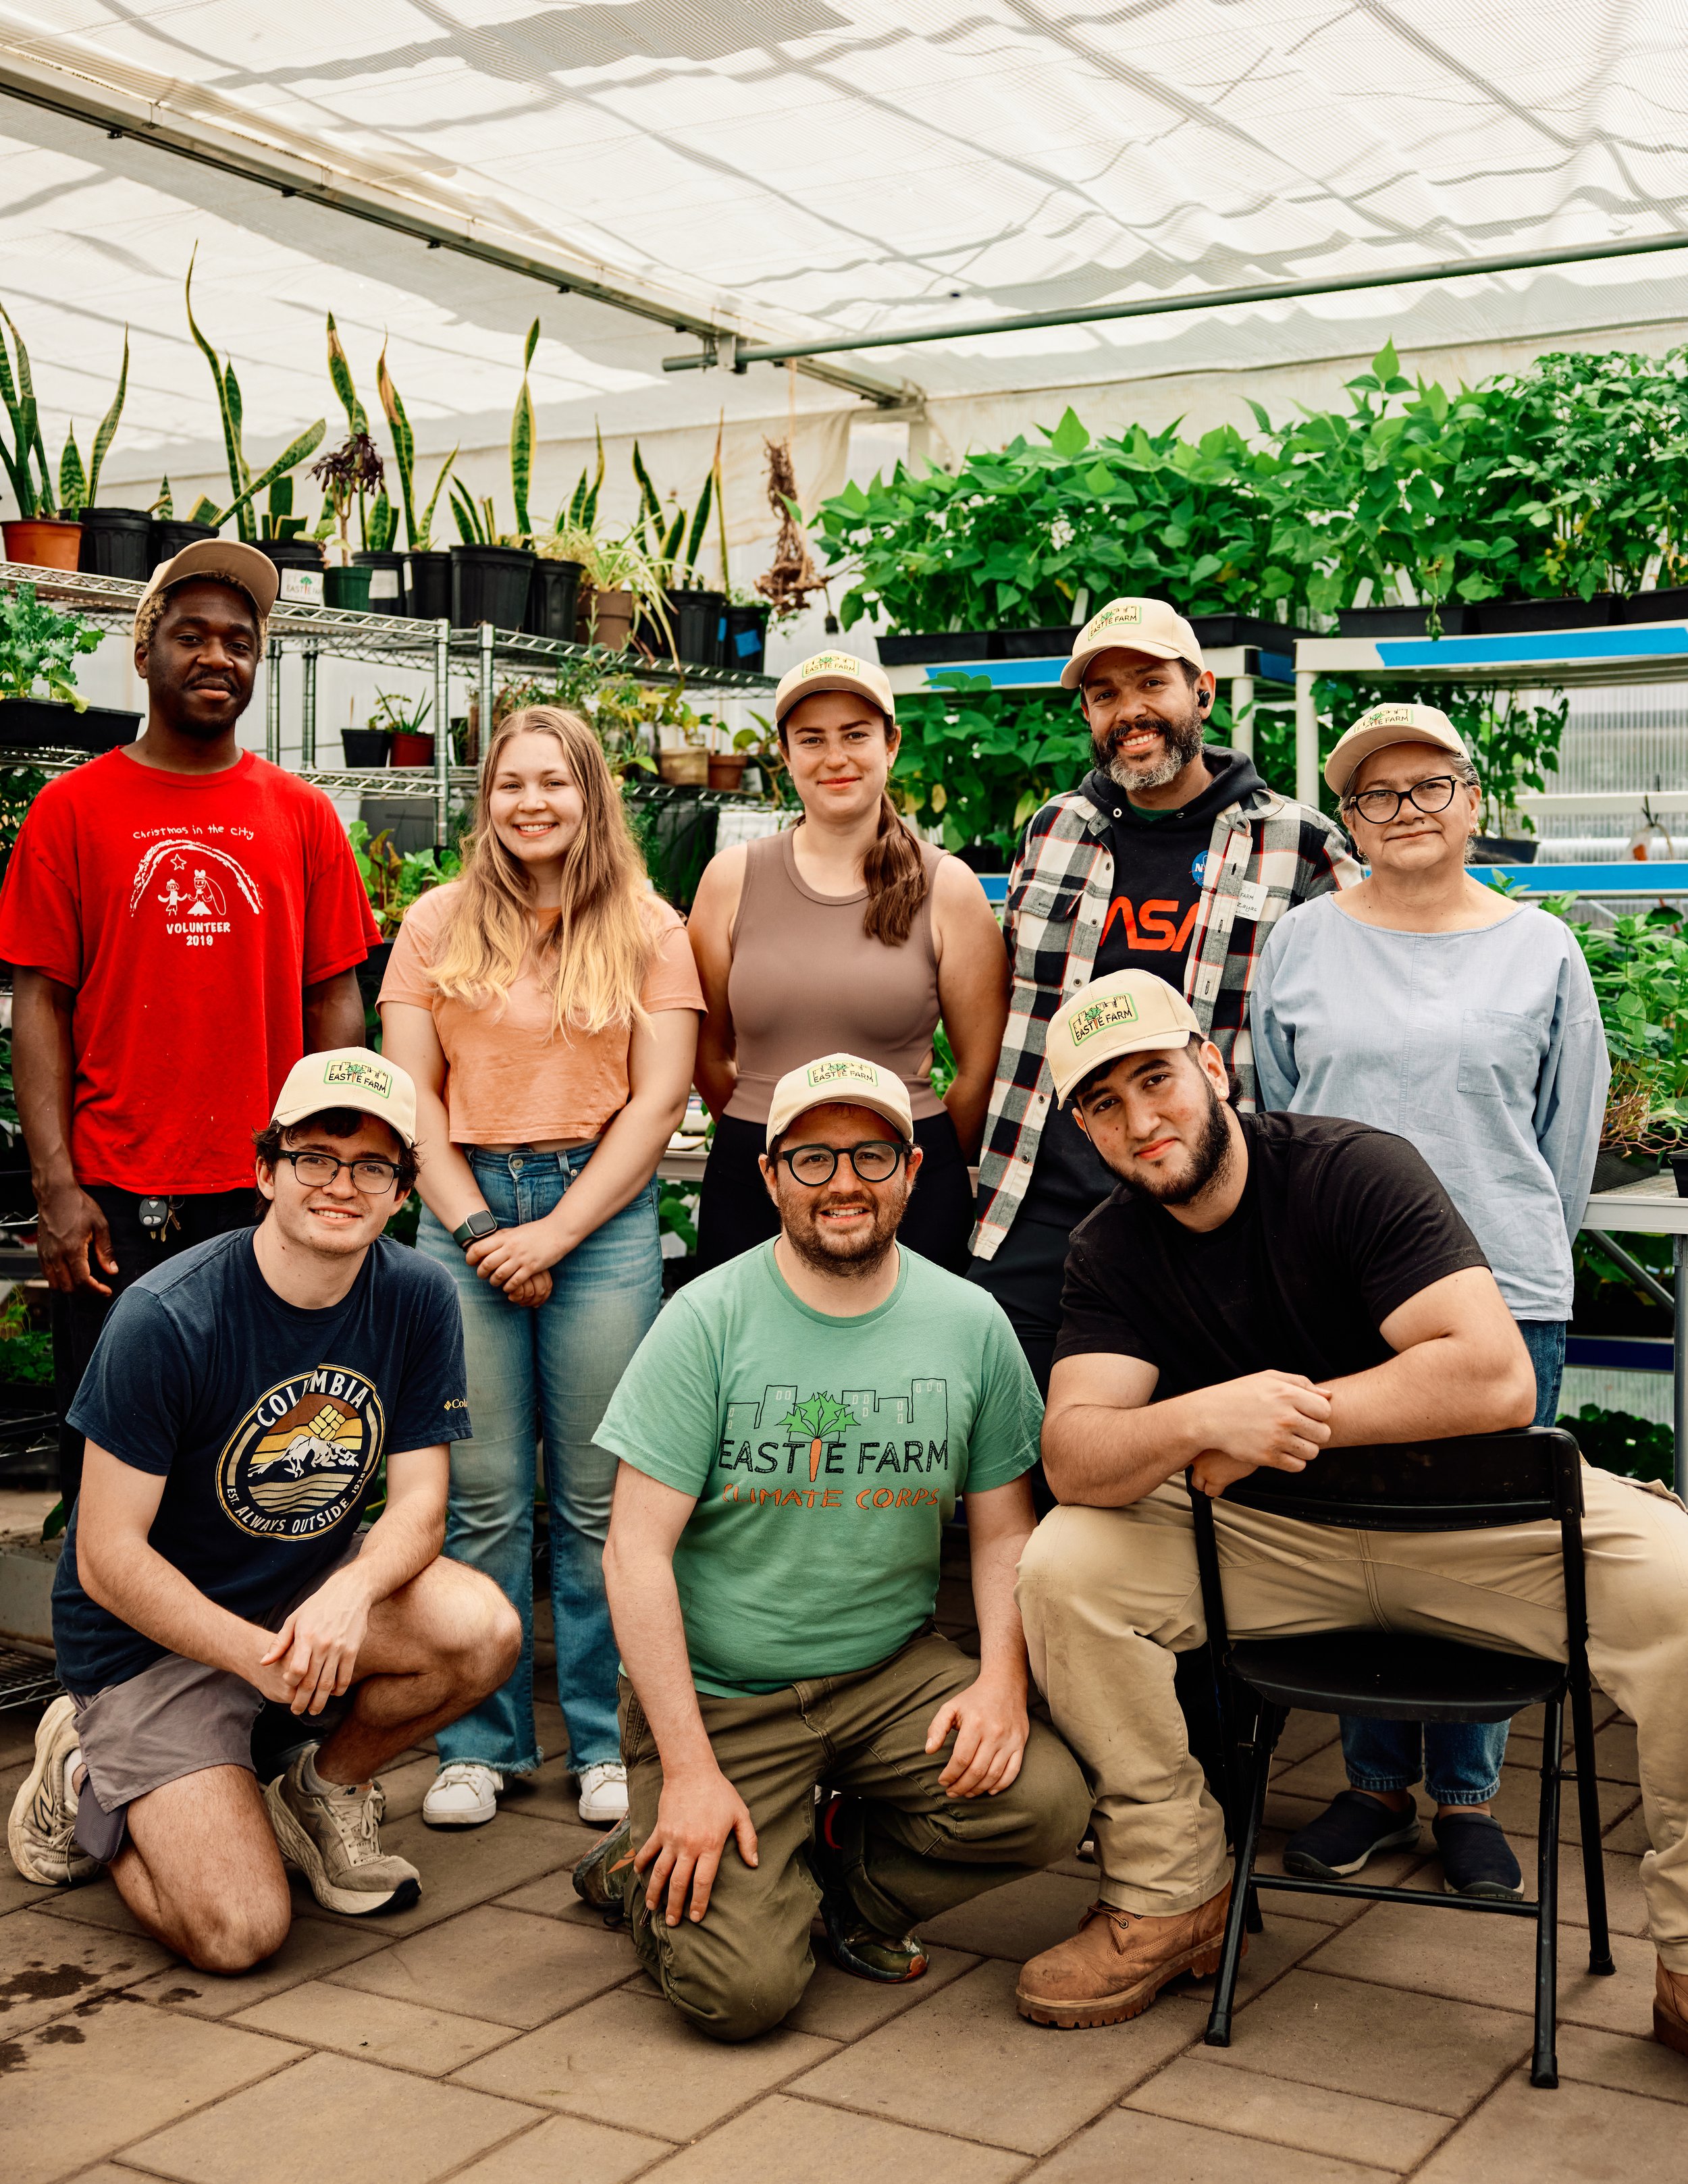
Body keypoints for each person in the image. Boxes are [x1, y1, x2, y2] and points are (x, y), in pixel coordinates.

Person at [1006, 969, 1688, 2060]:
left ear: (1211, 1067)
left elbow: (1493, 1377)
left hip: (1470, 1526)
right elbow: (1076, 1452)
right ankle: (1172, 1886)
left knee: (1683, 1581)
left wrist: (1289, 1414)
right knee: (1064, 1565)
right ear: (1085, 1129)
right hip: (1274, 1551)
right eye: (1104, 1104)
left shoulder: (1349, 1171)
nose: (1141, 1120)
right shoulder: (1112, 1249)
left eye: (1155, 1080)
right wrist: (1207, 1416)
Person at [569, 1051, 1091, 2042]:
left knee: (1046, 1800)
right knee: (743, 1997)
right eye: (811, 1157)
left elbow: (1004, 1530)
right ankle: (648, 1854)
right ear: (769, 1176)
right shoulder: (705, 1321)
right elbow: (633, 1554)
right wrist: (685, 1768)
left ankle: (853, 1888)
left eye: (870, 1154)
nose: (842, 1181)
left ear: (911, 1169)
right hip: (723, 1692)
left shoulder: (970, 1322)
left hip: (883, 1671)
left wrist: (999, 1683)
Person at [6, 1050, 520, 1971]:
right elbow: (106, 1557)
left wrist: (349, 1593)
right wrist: (255, 1657)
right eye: (317, 1156)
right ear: (266, 1168)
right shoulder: (168, 1316)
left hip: (295, 1592)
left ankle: (318, 1791)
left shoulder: (414, 1295)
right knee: (241, 1931)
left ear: (402, 1190)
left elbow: (422, 1505)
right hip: (149, 1644)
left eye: (372, 1166)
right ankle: (87, 1769)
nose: (341, 1184)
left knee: (481, 1628)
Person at [1250, 701, 1610, 1900]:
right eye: (1374, 795)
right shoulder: (1302, 942)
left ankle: (1467, 1795)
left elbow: (1562, 1142)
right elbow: (1279, 1113)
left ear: (1474, 801)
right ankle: (1369, 1783)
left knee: (1480, 1549)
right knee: (1357, 1535)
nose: (1403, 812)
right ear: (1346, 819)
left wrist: (1513, 1269)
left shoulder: (1542, 949)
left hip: (1501, 1293)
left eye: (1429, 787)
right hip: (1337, 1291)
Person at [0, 540, 377, 1506]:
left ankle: (241, 1652)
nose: (218, 657)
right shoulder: (70, 810)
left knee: (262, 1452)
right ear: (145, 651)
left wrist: (326, 1161)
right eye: (192, 635)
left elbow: (336, 997)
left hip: (265, 1193)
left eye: (240, 642)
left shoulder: (303, 816)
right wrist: (56, 1184)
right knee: (113, 1460)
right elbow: (39, 1001)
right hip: (115, 1199)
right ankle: (112, 1658)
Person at [379, 707, 702, 1832]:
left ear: (591, 798)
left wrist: (556, 1233)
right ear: (486, 801)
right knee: (479, 1501)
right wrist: (475, 1231)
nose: (532, 804)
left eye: (554, 785)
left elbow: (660, 1102)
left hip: (601, 1219)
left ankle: (608, 1742)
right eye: (511, 784)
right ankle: (481, 1745)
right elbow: (409, 1094)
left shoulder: (651, 928)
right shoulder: (434, 925)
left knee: (603, 1501)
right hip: (461, 1208)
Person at [968, 596, 1360, 1393]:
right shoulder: (1054, 829)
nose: (1128, 711)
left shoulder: (1302, 844)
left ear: (1204, 692)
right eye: (1104, 694)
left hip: (1209, 1213)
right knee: (1015, 1451)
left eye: (1151, 683)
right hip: (1037, 1205)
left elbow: (1350, 1029)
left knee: (1188, 1461)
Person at [688, 652, 1007, 1276]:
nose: (835, 758)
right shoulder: (731, 879)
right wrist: (777, 1134)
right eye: (812, 739)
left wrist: (909, 1154)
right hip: (757, 1178)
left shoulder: (949, 887)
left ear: (891, 744)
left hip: (902, 1183)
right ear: (785, 755)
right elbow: (706, 1052)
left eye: (856, 735)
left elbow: (980, 1069)